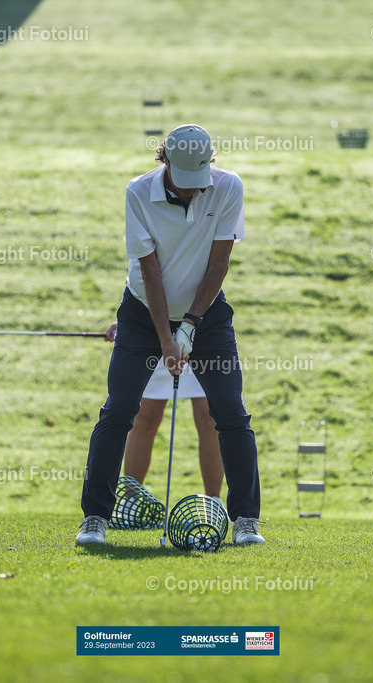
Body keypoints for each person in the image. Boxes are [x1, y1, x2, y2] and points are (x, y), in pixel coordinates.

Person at [77, 123, 265, 546]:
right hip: (144, 313)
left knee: (231, 414)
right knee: (119, 409)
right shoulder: (138, 192)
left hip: (208, 315)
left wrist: (192, 325)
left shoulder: (228, 187)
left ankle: (246, 520)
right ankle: (95, 517)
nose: (190, 192)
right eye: (183, 184)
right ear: (164, 161)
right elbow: (150, 272)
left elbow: (219, 266)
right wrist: (167, 337)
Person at [104, 322, 224, 504]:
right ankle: (131, 502)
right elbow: (142, 292)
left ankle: (214, 502)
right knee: (145, 416)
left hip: (201, 333)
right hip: (155, 334)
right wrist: (125, 320)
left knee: (209, 417)